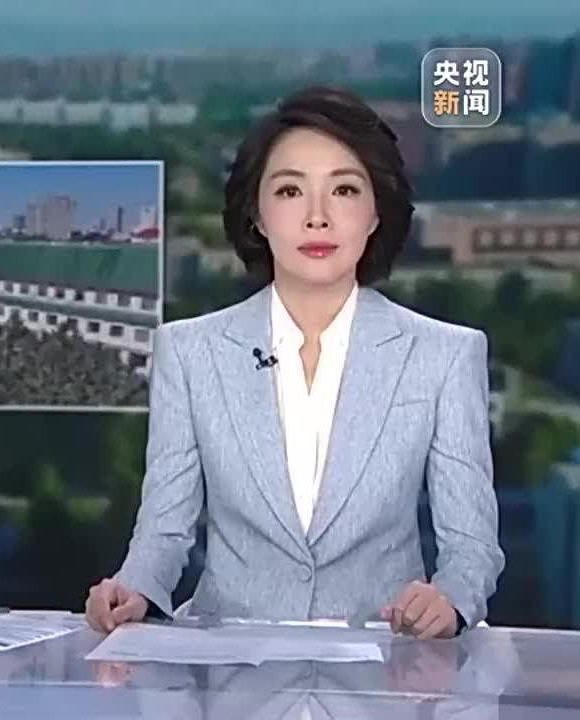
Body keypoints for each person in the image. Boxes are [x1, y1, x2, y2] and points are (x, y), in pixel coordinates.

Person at [85, 85, 504, 640]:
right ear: (257, 215)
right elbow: (164, 530)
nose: (317, 218)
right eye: (289, 190)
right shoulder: (190, 352)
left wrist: (448, 601)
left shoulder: (444, 355)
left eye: (345, 190)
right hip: (228, 664)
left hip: (385, 665)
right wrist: (133, 588)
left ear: (376, 212)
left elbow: (471, 548)